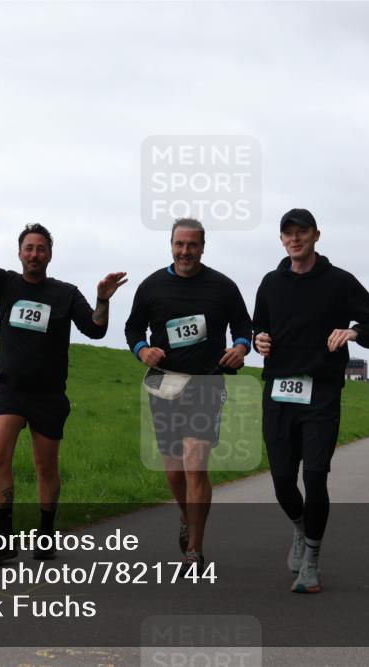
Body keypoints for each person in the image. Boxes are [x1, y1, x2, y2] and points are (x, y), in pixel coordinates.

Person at [0, 205, 126, 564]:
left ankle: (46, 535)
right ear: (20, 253)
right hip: (8, 389)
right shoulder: (7, 283)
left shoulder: (65, 293)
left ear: (50, 254)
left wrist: (102, 299)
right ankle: (4, 539)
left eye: (41, 248)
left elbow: (95, 329)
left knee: (45, 467)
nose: (35, 254)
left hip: (48, 395)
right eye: (29, 248)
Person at [253, 208, 369, 593]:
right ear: (281, 239)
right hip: (279, 393)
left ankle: (311, 561)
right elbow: (259, 326)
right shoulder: (270, 283)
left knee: (314, 477)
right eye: (287, 234)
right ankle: (301, 528)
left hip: (322, 394)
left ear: (316, 235)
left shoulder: (340, 282)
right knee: (283, 481)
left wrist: (354, 332)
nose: (294, 239)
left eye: (302, 232)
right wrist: (258, 339)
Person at [125, 218, 253, 572]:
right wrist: (141, 349)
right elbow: (133, 327)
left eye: (192, 245)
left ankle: (194, 548)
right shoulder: (151, 286)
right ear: (171, 245)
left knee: (196, 464)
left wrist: (241, 347)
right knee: (174, 472)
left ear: (202, 247)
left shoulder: (223, 286)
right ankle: (186, 517)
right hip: (164, 383)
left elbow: (244, 325)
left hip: (206, 383)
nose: (185, 251)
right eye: (180, 245)